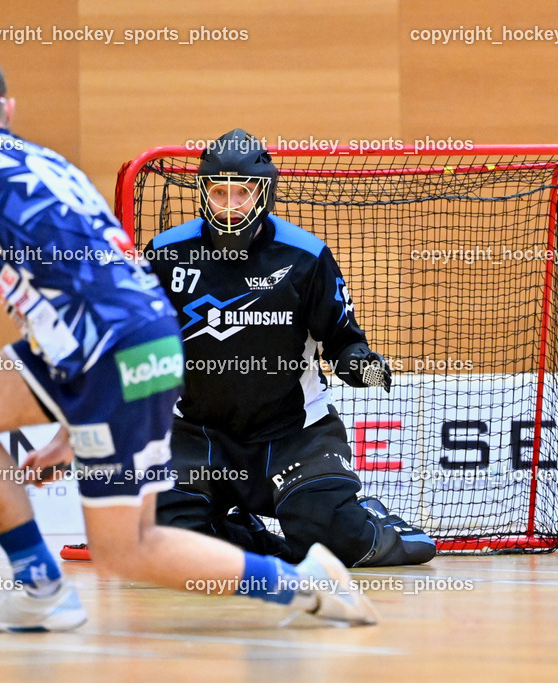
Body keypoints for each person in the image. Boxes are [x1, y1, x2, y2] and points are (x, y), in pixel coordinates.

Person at [0, 52, 377, 632]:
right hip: (136, 340)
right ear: (7, 109)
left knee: (128, 549)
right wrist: (73, 431)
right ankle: (38, 585)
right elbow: (109, 284)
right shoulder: (49, 162)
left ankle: (301, 585)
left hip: (99, 350)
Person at [140, 128, 436, 568]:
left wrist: (363, 366)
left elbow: (343, 342)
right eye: (218, 192)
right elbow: (141, 342)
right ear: (203, 192)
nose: (230, 205)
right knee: (168, 542)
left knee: (334, 538)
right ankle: (250, 536)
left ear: (265, 193)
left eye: (242, 193)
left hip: (293, 434)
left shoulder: (305, 256)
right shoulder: (166, 254)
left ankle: (373, 526)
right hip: (197, 436)